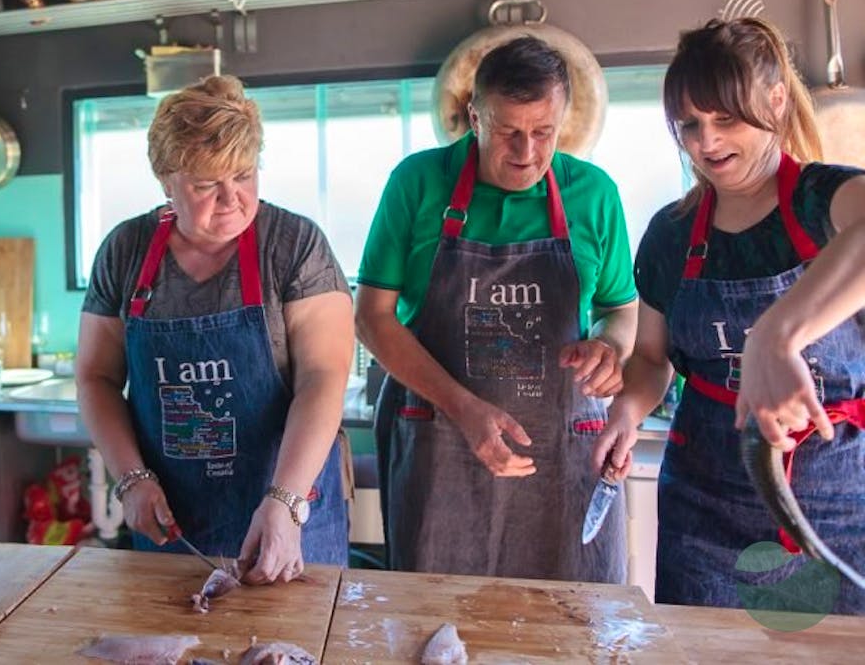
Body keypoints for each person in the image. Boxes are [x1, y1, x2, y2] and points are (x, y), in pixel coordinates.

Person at [594, 17, 865, 613]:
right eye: (689, 124)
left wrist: (777, 334)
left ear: (775, 101)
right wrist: (627, 411)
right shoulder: (670, 234)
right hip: (705, 504)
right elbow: (651, 359)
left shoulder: (826, 200)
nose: (706, 142)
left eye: (726, 119)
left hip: (841, 500)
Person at [356, 35, 638, 582]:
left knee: (572, 614)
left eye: (543, 132)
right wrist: (463, 408)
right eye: (508, 131)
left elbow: (620, 311)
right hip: (440, 448)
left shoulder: (594, 194)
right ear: (474, 117)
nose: (526, 151)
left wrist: (609, 345)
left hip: (562, 455)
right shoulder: (417, 183)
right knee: (436, 612)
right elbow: (371, 318)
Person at [76, 74, 352, 583]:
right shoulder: (125, 250)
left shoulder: (294, 245)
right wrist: (131, 479)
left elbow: (323, 377)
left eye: (243, 175)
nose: (231, 198)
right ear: (166, 181)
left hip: (288, 512)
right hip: (173, 522)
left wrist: (285, 501)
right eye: (206, 185)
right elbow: (96, 377)